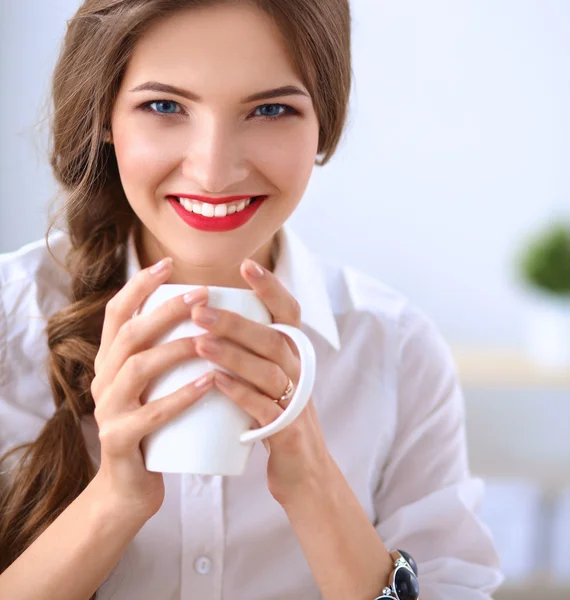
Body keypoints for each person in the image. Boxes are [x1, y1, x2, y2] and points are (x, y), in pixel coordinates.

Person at [0, 1, 503, 599]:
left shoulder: (395, 348)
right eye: (164, 106)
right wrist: (115, 499)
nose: (214, 172)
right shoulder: (11, 322)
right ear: (103, 113)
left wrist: (310, 480)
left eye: (270, 109)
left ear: (325, 123)